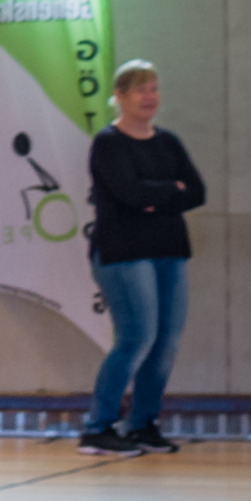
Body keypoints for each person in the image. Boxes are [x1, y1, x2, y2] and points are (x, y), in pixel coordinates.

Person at [82, 59, 205, 456]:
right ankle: (97, 428)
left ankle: (142, 424)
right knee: (137, 337)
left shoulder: (167, 142)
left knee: (166, 342)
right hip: (123, 253)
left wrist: (156, 195)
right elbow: (129, 194)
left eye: (153, 88)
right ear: (119, 96)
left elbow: (198, 193)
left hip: (169, 250)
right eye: (140, 89)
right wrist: (171, 189)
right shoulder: (108, 142)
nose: (150, 96)